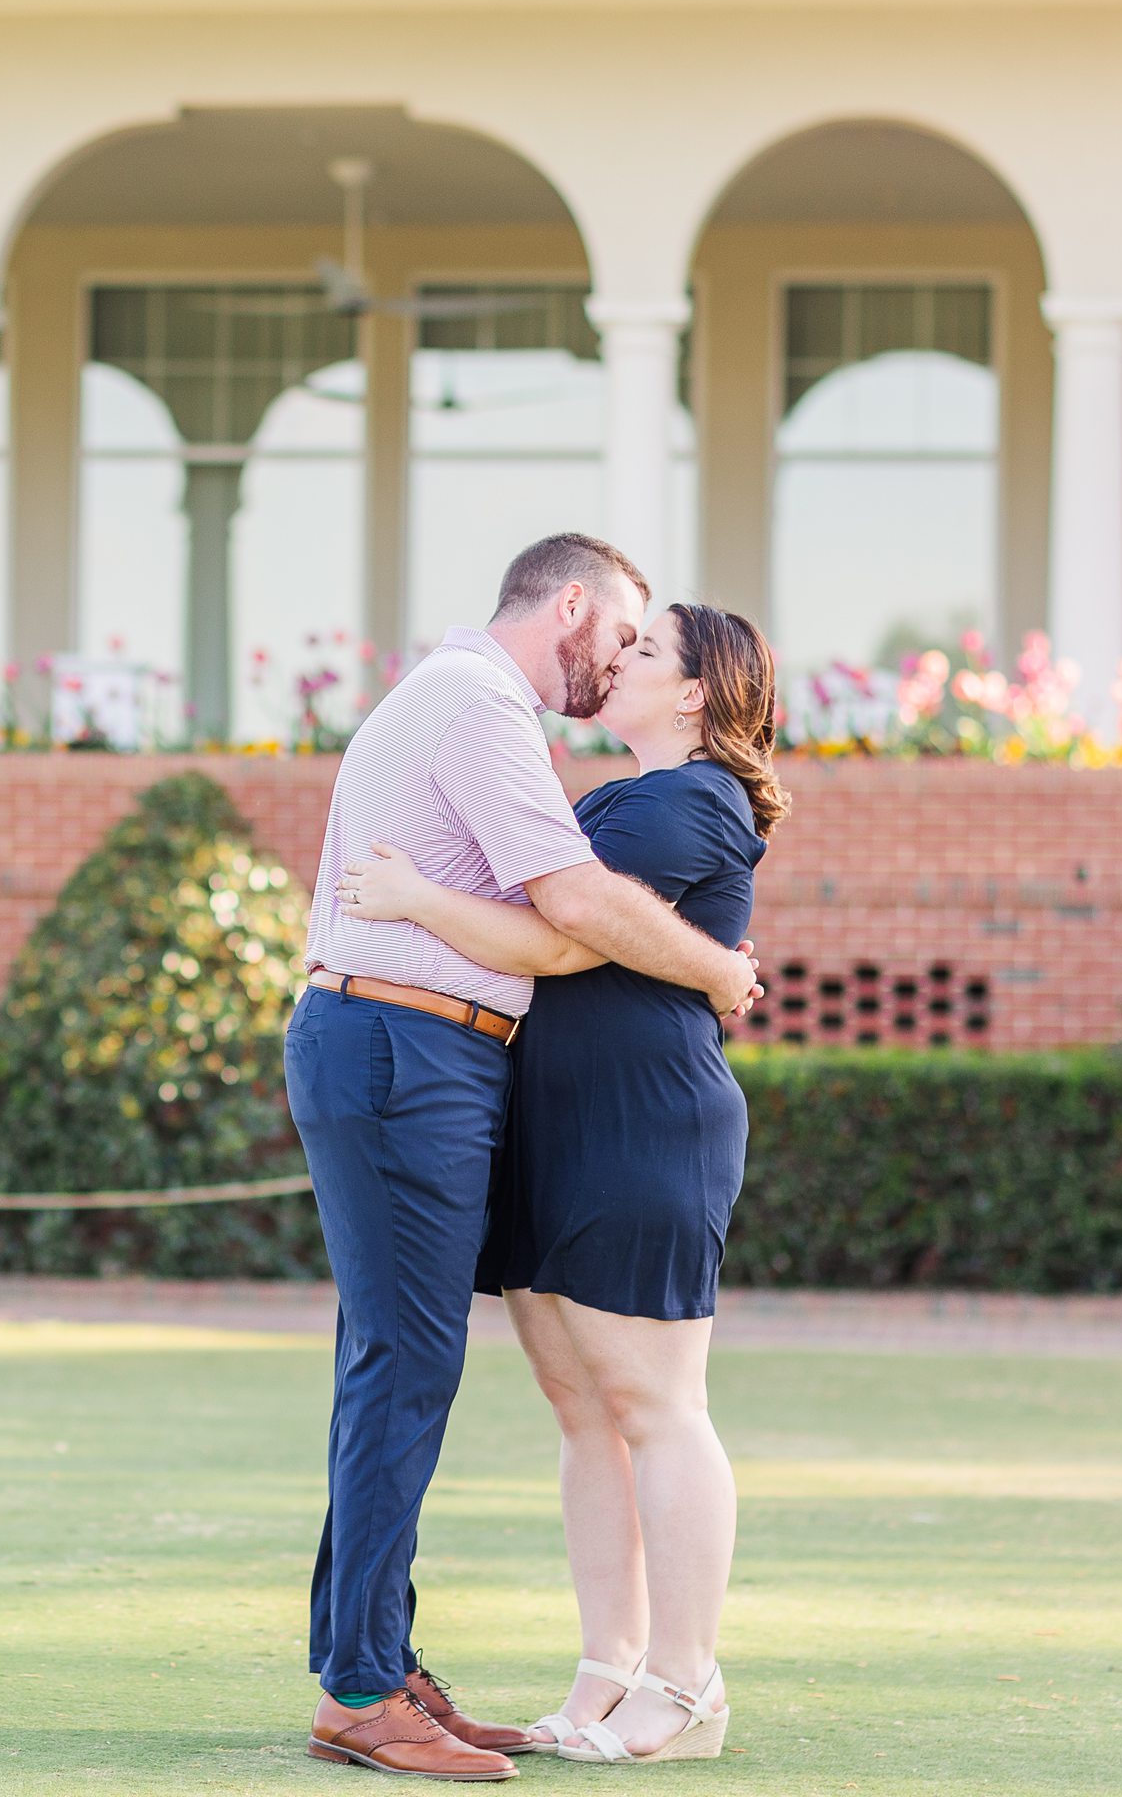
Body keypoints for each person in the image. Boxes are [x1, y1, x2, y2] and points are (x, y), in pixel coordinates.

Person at [286, 535, 761, 1781]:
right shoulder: (479, 704)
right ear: (572, 605)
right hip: (408, 1043)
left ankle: (385, 1663)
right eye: (622, 634)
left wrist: (708, 965)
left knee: (410, 1359)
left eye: (644, 650)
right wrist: (720, 968)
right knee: (406, 1358)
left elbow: (570, 921)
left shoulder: (626, 774)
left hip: (462, 1060)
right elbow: (573, 909)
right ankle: (364, 1677)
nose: (615, 663)